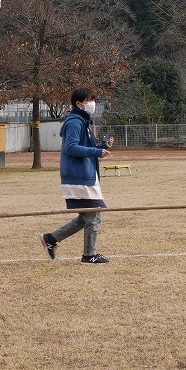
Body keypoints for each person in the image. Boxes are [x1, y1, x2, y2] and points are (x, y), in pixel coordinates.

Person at [41, 87, 114, 264]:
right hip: (79, 176)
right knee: (93, 215)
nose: (93, 104)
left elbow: (85, 149)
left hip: (85, 175)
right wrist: (95, 152)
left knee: (87, 217)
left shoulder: (83, 121)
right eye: (89, 100)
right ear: (79, 103)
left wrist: (102, 148)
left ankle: (51, 239)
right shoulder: (75, 121)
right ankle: (89, 255)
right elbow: (70, 148)